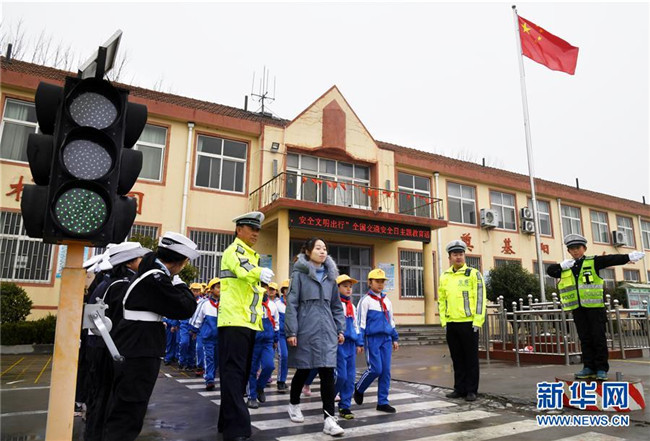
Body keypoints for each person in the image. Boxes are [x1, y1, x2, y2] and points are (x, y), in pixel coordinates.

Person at [103, 232, 199, 441]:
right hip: (140, 347)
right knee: (130, 409)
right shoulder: (155, 278)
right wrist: (179, 283)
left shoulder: (150, 273)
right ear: (181, 261)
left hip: (137, 343)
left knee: (128, 407)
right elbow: (186, 307)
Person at [547, 233, 645, 380]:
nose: (575, 251)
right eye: (572, 249)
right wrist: (561, 265)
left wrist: (628, 257)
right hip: (578, 309)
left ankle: (601, 368)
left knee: (598, 338)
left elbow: (610, 259)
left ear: (584, 248)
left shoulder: (593, 262)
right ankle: (588, 367)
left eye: (578, 247)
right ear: (568, 251)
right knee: (585, 339)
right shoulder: (567, 267)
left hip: (595, 308)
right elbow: (550, 271)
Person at [83, 242, 150, 441]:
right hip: (109, 349)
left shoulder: (105, 283)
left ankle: (93, 435)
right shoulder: (121, 285)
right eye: (140, 258)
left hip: (97, 345)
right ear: (129, 262)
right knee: (109, 399)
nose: (143, 261)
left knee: (98, 397)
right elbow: (121, 322)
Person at [217, 211, 274, 441]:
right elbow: (243, 270)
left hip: (246, 322)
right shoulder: (234, 251)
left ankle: (225, 421)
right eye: (252, 228)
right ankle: (237, 429)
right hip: (233, 321)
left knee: (237, 376)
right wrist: (260, 272)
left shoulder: (252, 254)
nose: (256, 233)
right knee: (234, 374)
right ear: (239, 229)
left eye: (258, 229)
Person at [285, 237, 345, 437]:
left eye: (324, 248)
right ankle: (294, 404)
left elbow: (336, 306)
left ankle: (329, 419)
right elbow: (292, 304)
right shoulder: (299, 274)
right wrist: (291, 331)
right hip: (306, 329)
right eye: (318, 248)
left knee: (327, 372)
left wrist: (340, 329)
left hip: (327, 330)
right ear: (308, 252)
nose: (322, 251)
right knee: (303, 370)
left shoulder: (330, 277)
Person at [437, 240, 486, 402]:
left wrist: (477, 321)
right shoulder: (445, 276)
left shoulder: (473, 274)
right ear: (449, 257)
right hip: (451, 324)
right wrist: (444, 322)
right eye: (455, 254)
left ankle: (471, 390)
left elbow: (480, 299)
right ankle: (459, 388)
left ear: (464, 256)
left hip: (469, 323)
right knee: (457, 358)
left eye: (461, 254)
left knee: (470, 359)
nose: (458, 257)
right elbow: (442, 301)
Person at [354, 268, 399, 413]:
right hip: (372, 339)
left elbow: (391, 321)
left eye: (382, 281)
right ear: (370, 282)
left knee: (386, 371)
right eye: (377, 281)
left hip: (386, 339)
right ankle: (359, 388)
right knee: (375, 369)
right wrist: (360, 342)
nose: (380, 284)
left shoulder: (387, 301)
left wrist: (395, 337)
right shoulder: (365, 301)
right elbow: (360, 323)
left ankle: (383, 402)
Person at [335, 274, 363, 419]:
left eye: (350, 287)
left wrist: (359, 342)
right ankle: (329, 397)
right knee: (341, 376)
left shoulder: (352, 306)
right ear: (337, 288)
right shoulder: (334, 304)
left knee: (350, 378)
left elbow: (356, 325)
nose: (348, 289)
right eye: (345, 286)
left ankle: (345, 406)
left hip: (351, 345)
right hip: (339, 344)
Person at [247, 289, 279, 409]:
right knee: (252, 369)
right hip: (254, 341)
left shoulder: (272, 305)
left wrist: (275, 338)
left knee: (269, 366)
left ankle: (260, 387)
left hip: (267, 341)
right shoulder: (249, 302)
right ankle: (251, 397)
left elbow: (276, 323)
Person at [189, 277, 221, 391]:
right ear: (211, 289)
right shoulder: (204, 303)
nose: (220, 290)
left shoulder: (225, 303)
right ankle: (209, 379)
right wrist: (194, 330)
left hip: (220, 338)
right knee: (209, 358)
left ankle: (211, 374)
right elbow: (198, 318)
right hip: (208, 337)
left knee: (216, 359)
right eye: (218, 287)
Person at [178, 283, 203, 370]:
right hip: (185, 324)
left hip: (195, 325)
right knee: (184, 343)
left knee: (193, 345)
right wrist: (175, 324)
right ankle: (182, 361)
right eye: (194, 290)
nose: (196, 292)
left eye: (198, 291)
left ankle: (190, 363)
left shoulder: (202, 302)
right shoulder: (185, 299)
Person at [275, 279, 290, 393]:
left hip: (291, 335)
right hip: (280, 335)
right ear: (283, 291)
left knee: (288, 358)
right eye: (287, 289)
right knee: (283, 355)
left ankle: (283, 380)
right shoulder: (277, 304)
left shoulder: (294, 304)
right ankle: (280, 381)